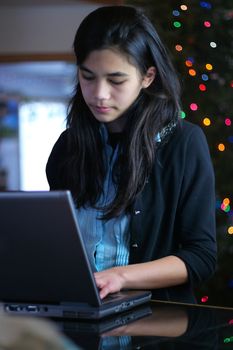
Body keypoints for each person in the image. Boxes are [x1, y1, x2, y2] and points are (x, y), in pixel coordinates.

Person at [46, 5, 217, 303]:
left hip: (156, 324)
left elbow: (201, 256)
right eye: (88, 77)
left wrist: (121, 276)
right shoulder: (67, 146)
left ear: (148, 76)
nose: (99, 93)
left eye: (116, 80)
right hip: (79, 310)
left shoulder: (184, 143)